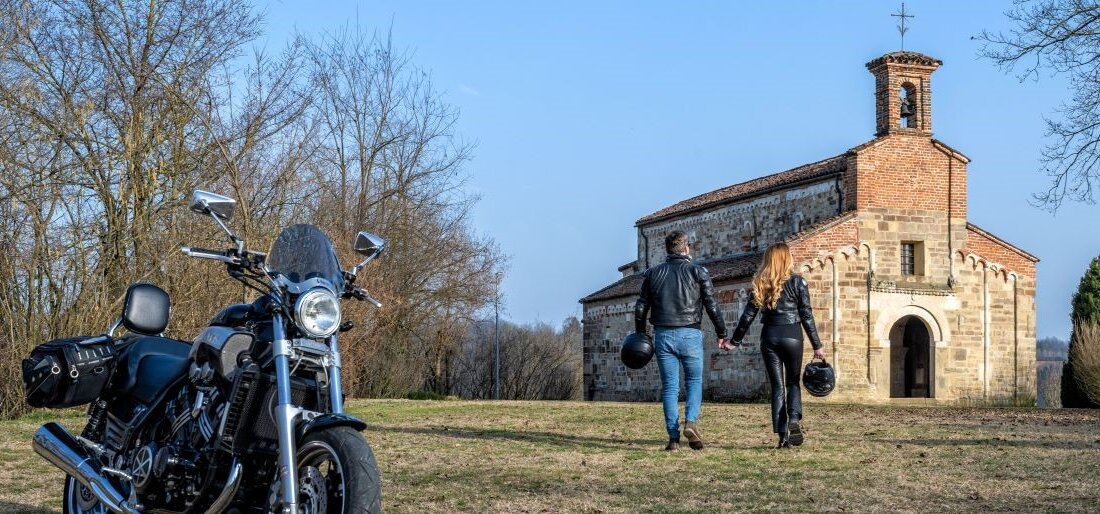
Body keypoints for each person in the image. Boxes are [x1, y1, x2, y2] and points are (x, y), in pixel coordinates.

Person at [634, 230, 730, 451]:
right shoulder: (698, 271)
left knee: (670, 387)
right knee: (694, 382)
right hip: (690, 334)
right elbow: (711, 305)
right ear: (687, 247)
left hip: (663, 334)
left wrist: (640, 333)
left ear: (667, 249)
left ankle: (673, 439)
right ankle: (691, 422)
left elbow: (641, 307)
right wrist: (722, 333)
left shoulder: (652, 273)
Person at [726, 242, 826, 449]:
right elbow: (807, 316)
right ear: (786, 258)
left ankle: (782, 437)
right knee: (793, 382)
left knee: (777, 387)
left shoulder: (762, 282)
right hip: (792, 335)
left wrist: (734, 341)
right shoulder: (799, 282)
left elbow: (748, 316)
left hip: (770, 336)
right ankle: (795, 420)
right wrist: (817, 345)